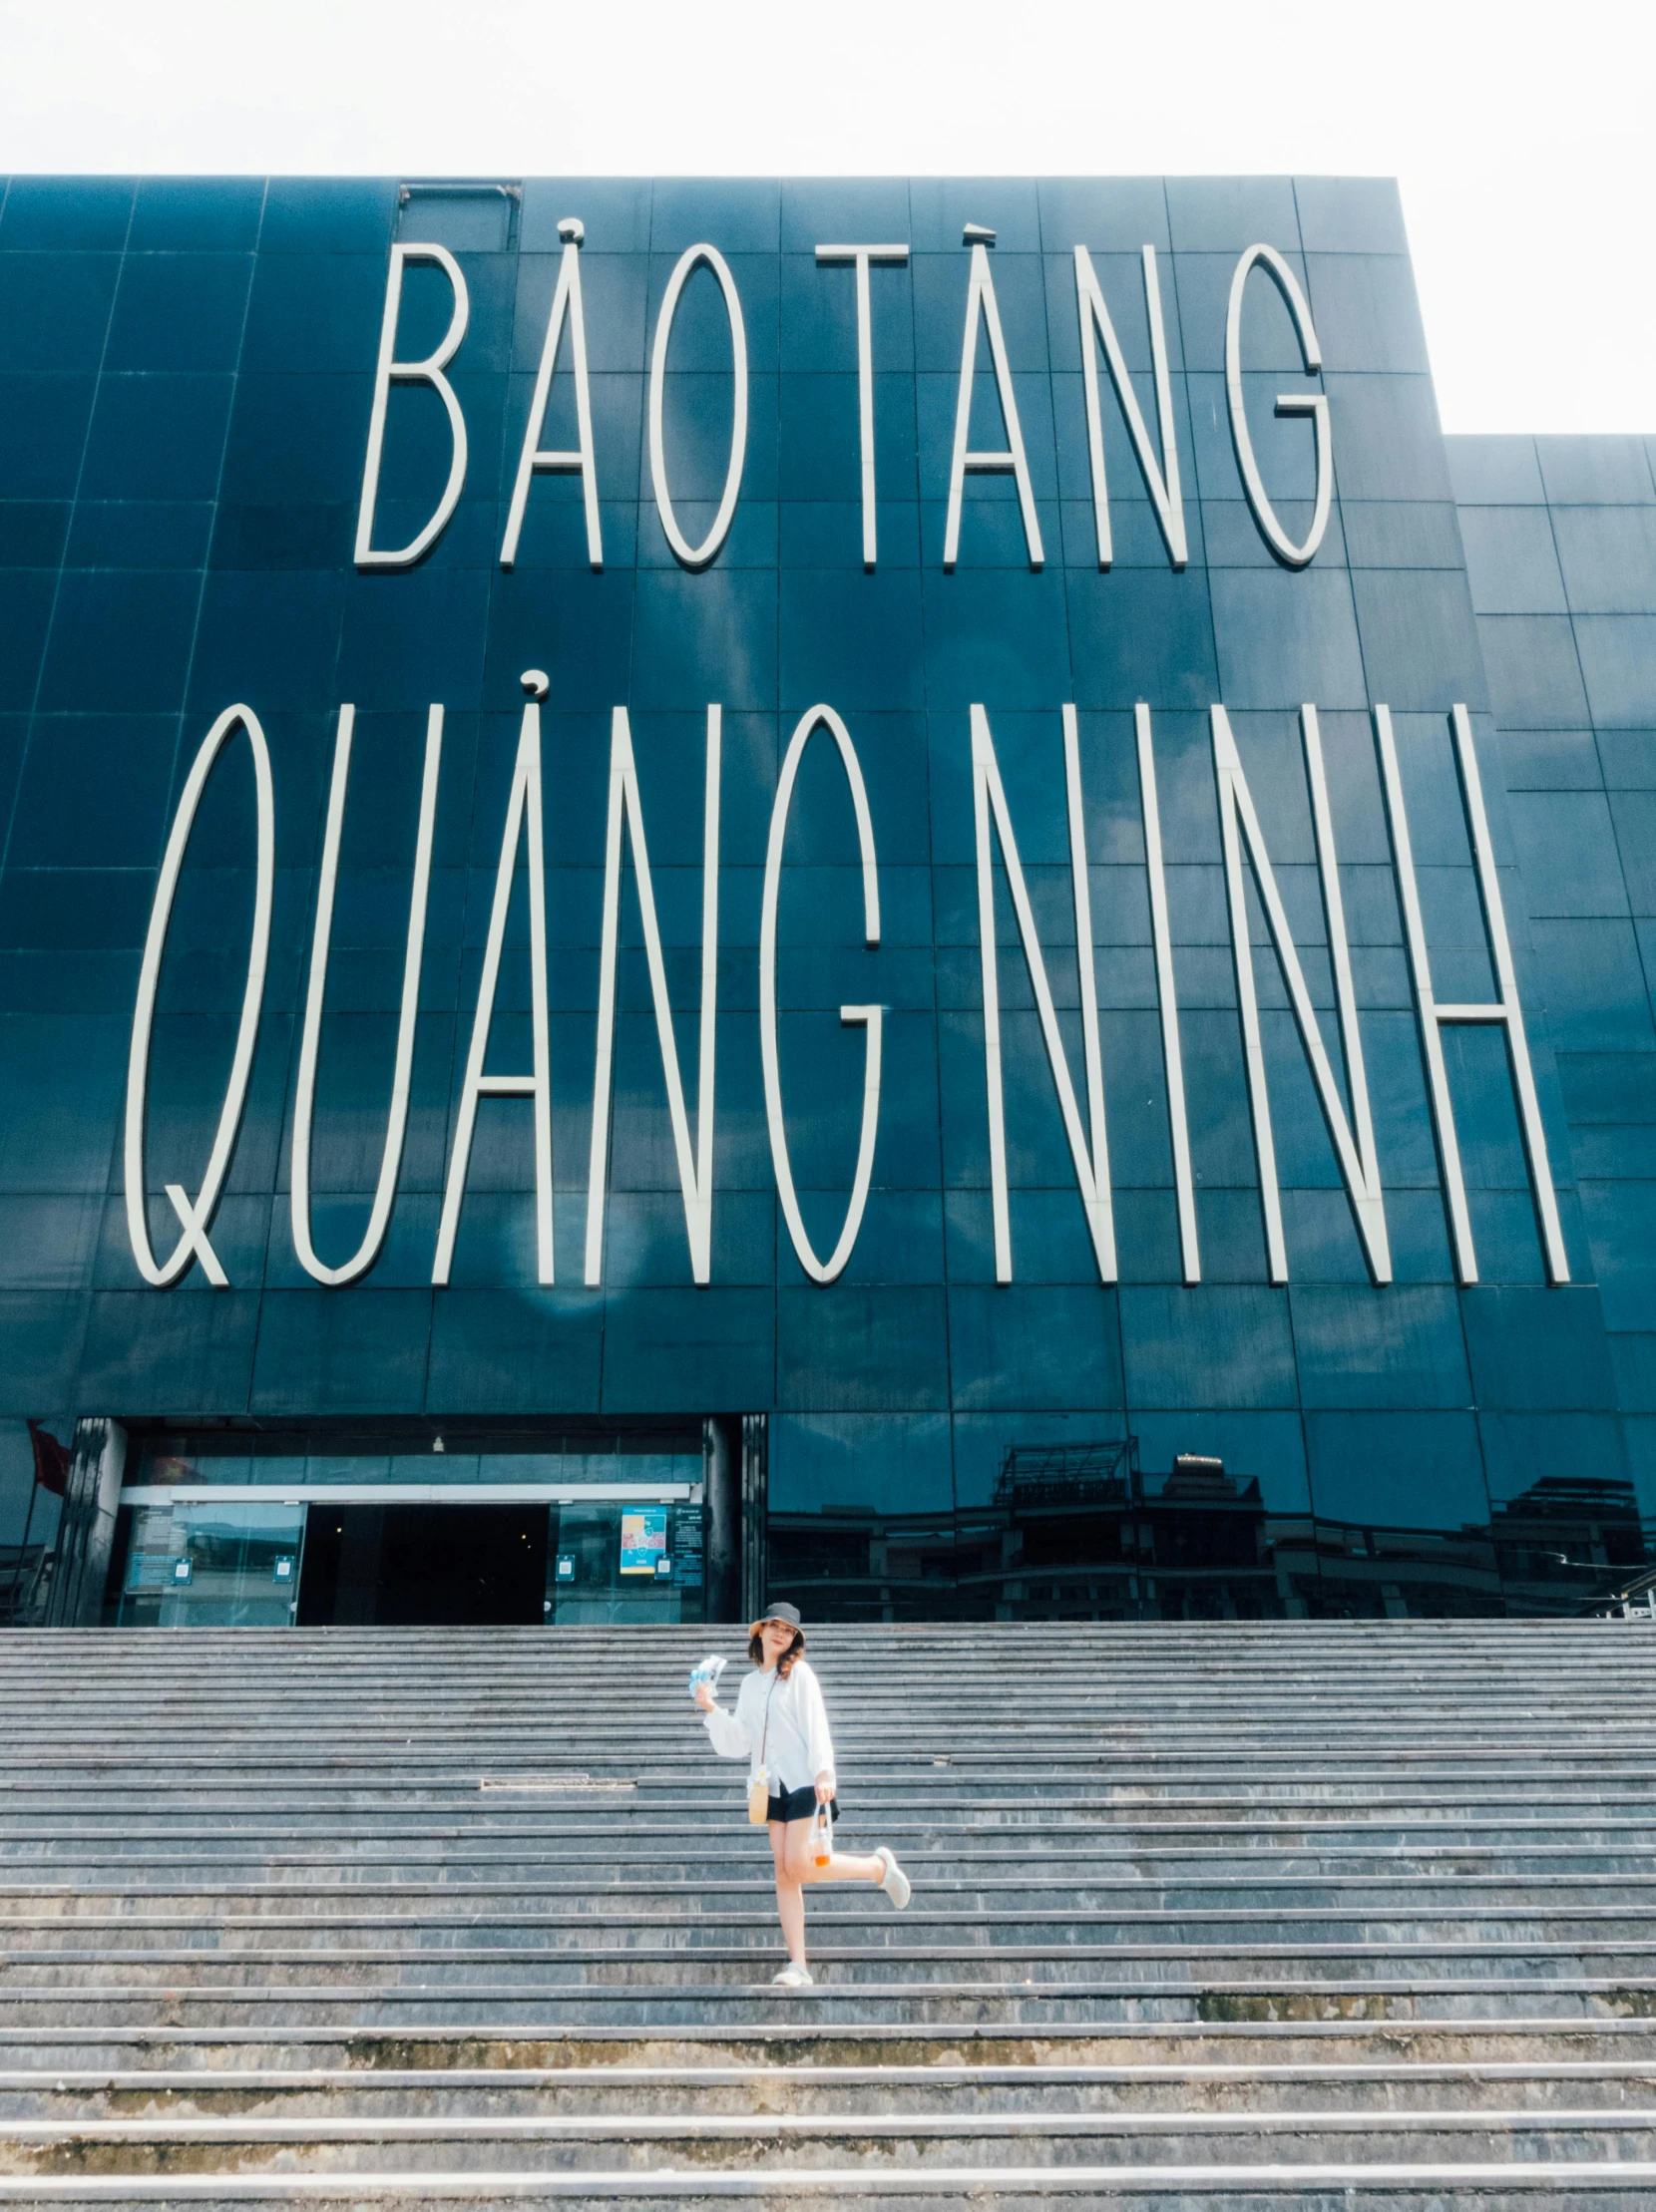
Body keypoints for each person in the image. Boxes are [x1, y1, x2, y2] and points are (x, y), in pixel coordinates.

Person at [695, 1601, 911, 1989]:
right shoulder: (748, 1684)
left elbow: (817, 1725)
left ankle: (877, 1868)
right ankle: (798, 1964)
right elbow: (741, 1740)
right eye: (774, 1625)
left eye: (788, 1629)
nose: (781, 1633)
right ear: (759, 1630)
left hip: (805, 1782)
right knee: (785, 1874)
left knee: (797, 1864)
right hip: (768, 1787)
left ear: (794, 1638)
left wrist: (825, 1771)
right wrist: (711, 1709)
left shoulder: (800, 1675)